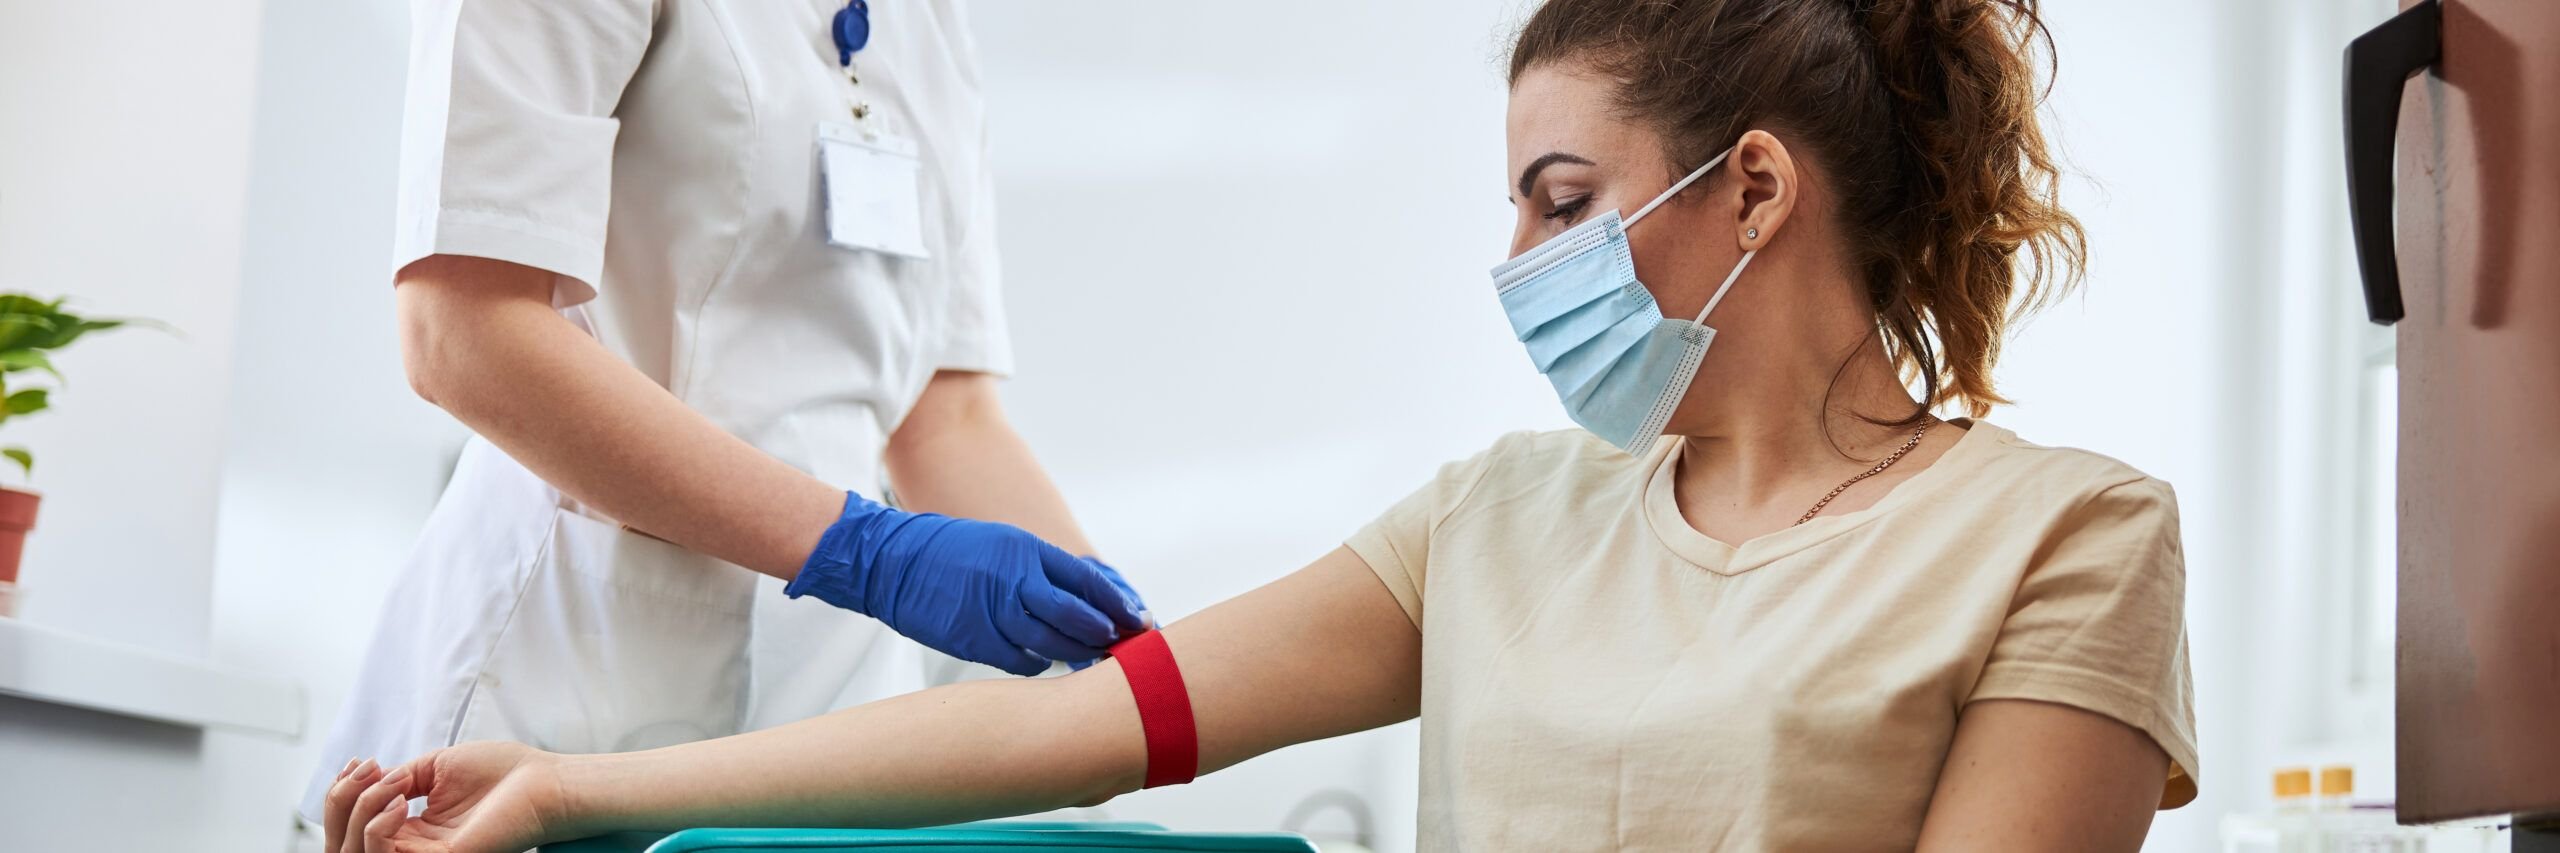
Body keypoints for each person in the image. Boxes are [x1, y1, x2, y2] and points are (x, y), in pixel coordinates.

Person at [320, 0, 2198, 850]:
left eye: (1557, 198)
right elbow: (1076, 728)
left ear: (1758, 192)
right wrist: (563, 788)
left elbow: (941, 404)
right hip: (568, 638)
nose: (1519, 260)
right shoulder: (1502, 521)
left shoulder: (2067, 533)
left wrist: (979, 560)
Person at [299, 0, 1152, 827]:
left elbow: (947, 411)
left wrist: (1135, 665)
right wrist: (867, 551)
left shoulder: (930, 18)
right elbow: (460, 331)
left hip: (834, 711)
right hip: (567, 673)